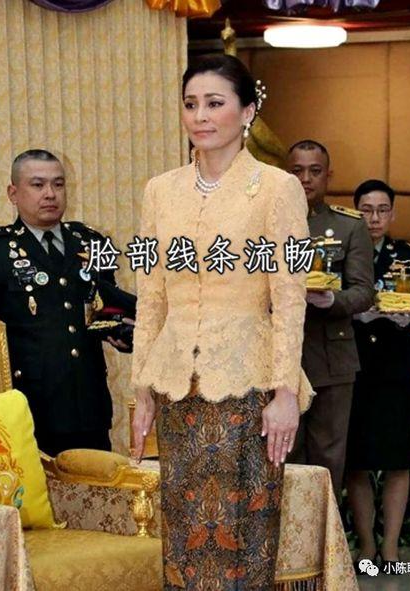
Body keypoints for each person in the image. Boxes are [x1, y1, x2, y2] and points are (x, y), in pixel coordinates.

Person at [131, 55, 313, 590]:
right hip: (176, 385)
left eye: (215, 103)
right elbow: (151, 296)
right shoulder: (159, 190)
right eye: (191, 104)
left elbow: (290, 297)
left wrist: (285, 392)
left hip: (248, 384)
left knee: (242, 532)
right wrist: (140, 386)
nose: (201, 116)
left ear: (247, 112)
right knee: (183, 533)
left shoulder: (278, 188)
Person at [0, 149, 136, 456]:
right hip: (26, 411)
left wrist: (125, 333)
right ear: (13, 193)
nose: (50, 194)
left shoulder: (91, 243)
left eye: (58, 184)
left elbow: (103, 308)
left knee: (95, 485)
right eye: (38, 185)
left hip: (89, 408)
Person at [286, 140, 374, 499]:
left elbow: (364, 292)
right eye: (297, 171)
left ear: (328, 176)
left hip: (331, 356)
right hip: (282, 358)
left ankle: (326, 534)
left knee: (328, 457)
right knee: (284, 454)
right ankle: (286, 535)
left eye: (315, 171)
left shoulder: (349, 226)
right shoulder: (267, 223)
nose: (306, 179)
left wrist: (331, 300)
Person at [345, 179, 410, 572]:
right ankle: (366, 547)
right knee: (357, 460)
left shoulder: (406, 255)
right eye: (366, 210)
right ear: (355, 212)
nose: (374, 218)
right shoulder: (344, 252)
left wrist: (407, 317)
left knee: (396, 459)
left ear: (392, 214)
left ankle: (390, 549)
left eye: (381, 210)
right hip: (355, 366)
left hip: (395, 369)